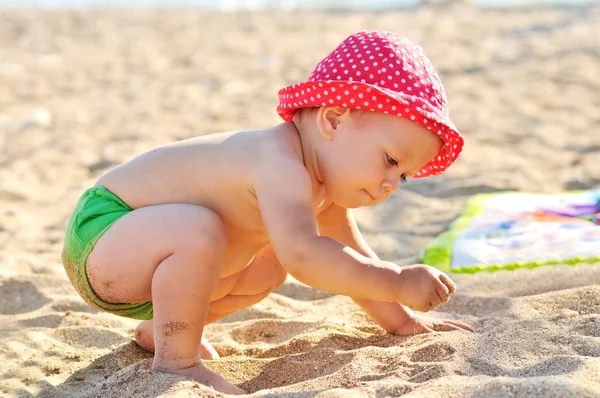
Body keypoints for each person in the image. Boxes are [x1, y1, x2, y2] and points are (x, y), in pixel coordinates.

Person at [61, 30, 473, 395]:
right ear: (333, 120)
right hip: (105, 231)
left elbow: (351, 258)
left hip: (150, 269)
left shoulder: (323, 187)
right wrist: (398, 281)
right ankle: (177, 363)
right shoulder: (278, 162)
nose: (389, 183)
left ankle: (162, 330)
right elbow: (308, 258)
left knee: (269, 265)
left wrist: (401, 322)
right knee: (203, 230)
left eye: (403, 176)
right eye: (389, 159)